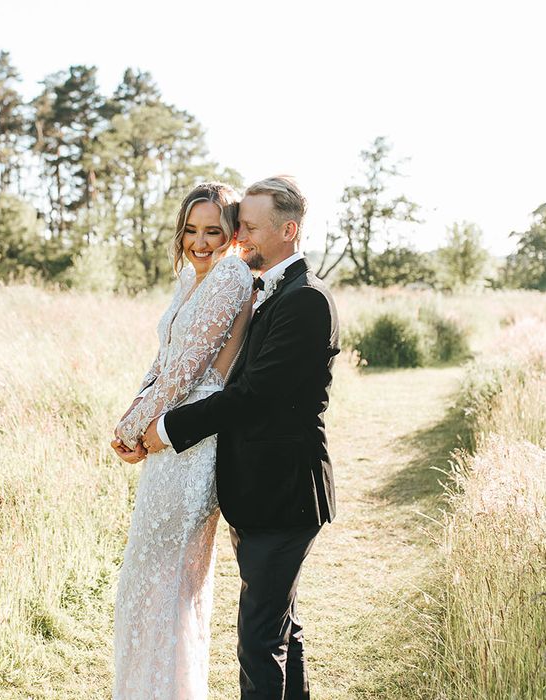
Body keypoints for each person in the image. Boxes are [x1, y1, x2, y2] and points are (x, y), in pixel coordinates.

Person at [142, 176, 340, 699]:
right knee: (280, 630)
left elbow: (251, 396)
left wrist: (166, 429)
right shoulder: (270, 291)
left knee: (258, 640)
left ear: (288, 230)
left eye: (248, 227)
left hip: (285, 494)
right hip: (259, 493)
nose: (239, 237)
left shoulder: (307, 301)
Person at [110, 182, 254, 699]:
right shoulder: (191, 279)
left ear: (233, 233)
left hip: (192, 444)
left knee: (169, 583)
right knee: (147, 577)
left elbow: (186, 375)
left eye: (213, 230)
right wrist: (130, 412)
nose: (199, 241)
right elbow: (163, 362)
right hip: (166, 435)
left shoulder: (231, 276)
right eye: (191, 230)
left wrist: (136, 432)